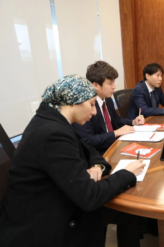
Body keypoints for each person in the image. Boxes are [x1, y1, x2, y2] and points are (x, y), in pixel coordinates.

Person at [0, 75, 145, 247]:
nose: (94, 111)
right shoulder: (52, 133)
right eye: (91, 104)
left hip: (59, 200)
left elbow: (88, 149)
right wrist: (127, 173)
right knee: (126, 210)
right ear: (72, 102)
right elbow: (90, 197)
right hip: (47, 221)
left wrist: (97, 165)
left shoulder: (54, 121)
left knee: (127, 213)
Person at [73, 61, 145, 154]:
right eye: (110, 83)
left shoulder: (107, 99)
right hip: (100, 153)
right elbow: (88, 140)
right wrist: (116, 133)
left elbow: (116, 120)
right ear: (96, 85)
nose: (114, 87)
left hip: (115, 145)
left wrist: (133, 122)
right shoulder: (85, 106)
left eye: (114, 82)